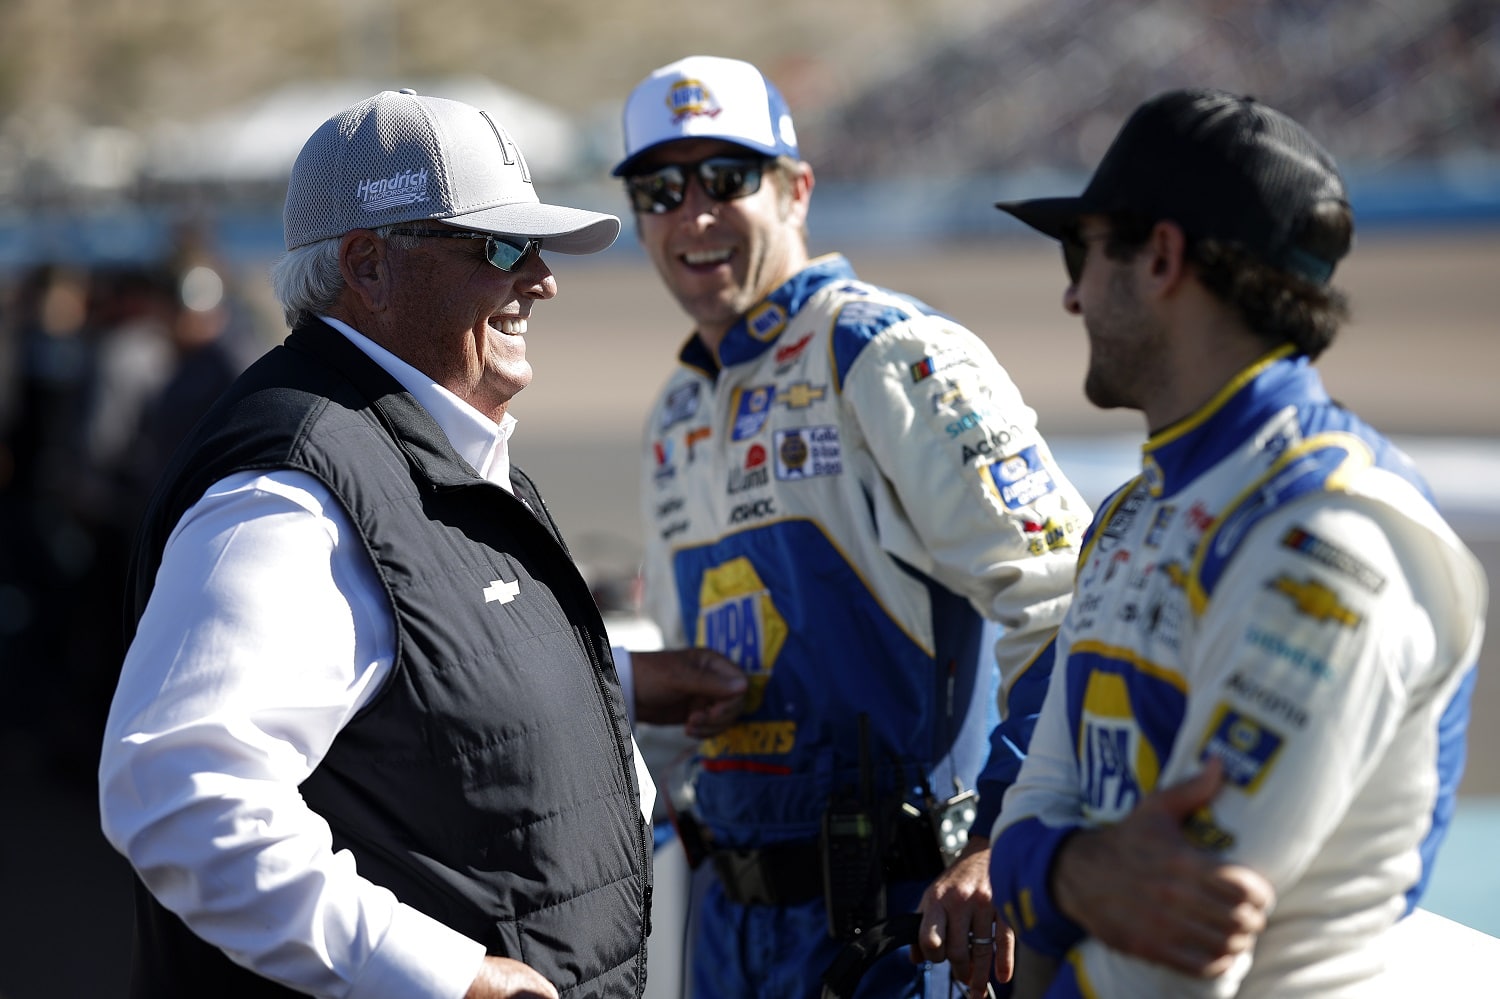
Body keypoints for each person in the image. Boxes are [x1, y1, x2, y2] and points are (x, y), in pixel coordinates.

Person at [98, 89, 747, 999]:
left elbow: (421, 667)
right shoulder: (288, 492)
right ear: (370, 266)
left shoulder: (418, 439)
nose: (543, 279)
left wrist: (626, 682)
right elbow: (179, 791)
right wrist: (447, 976)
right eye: (503, 246)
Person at [987, 87, 1488, 997]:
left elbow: (1181, 936)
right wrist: (1068, 875)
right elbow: (1035, 808)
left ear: (1163, 258)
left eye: (1082, 251)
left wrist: (1053, 875)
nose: (1069, 294)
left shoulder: (1338, 533)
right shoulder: (1131, 512)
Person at [612, 56, 1092, 997]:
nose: (694, 213)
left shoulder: (887, 354)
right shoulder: (674, 411)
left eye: (727, 178)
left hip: (895, 931)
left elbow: (1071, 601)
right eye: (661, 188)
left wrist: (1009, 832)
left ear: (796, 190)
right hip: (729, 932)